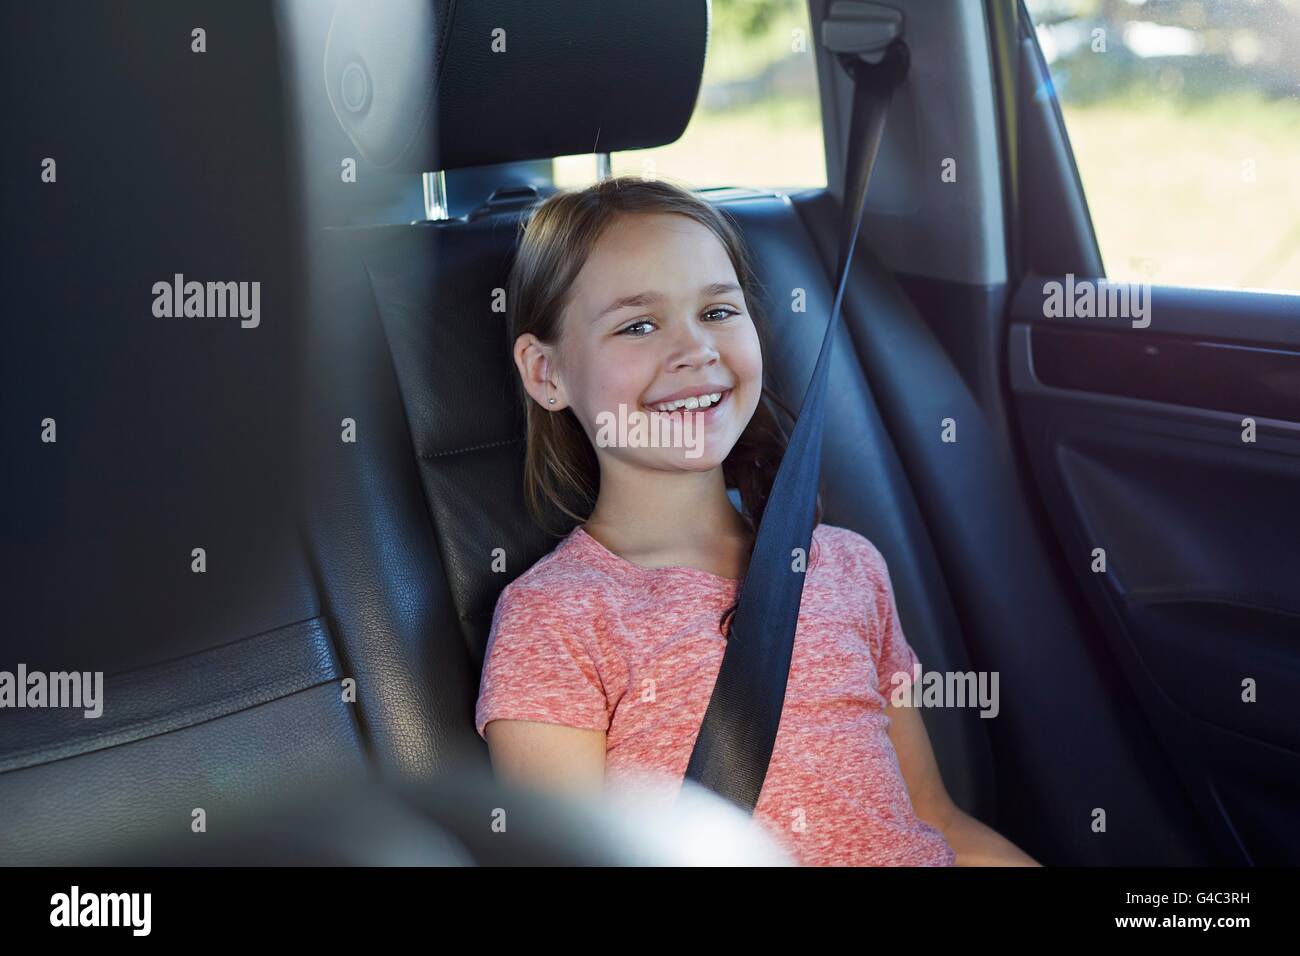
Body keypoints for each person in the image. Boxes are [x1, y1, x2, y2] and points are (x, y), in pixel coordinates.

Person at [475, 175, 1039, 866]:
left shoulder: (846, 565)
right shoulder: (554, 620)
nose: (695, 351)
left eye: (717, 312)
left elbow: (938, 822)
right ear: (545, 373)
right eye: (638, 325)